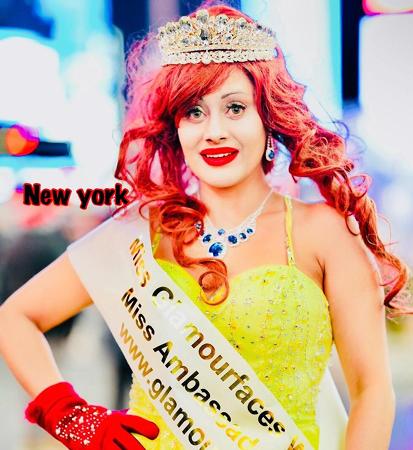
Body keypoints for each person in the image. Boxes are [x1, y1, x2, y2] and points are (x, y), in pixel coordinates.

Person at [0, 2, 410, 450]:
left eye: (234, 108)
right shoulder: (143, 231)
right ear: (175, 128)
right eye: (194, 112)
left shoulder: (323, 233)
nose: (213, 130)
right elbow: (14, 318)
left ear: (268, 117)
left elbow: (372, 392)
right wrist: (72, 417)